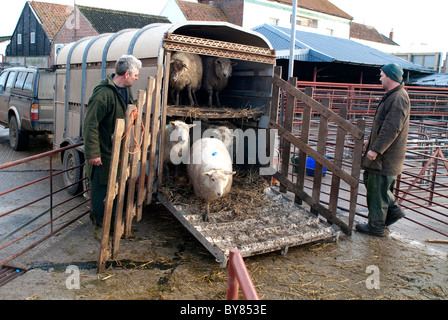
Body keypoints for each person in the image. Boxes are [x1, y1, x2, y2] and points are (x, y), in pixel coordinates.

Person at [82, 55, 142, 239]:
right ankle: (99, 226)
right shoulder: (103, 95)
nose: (137, 78)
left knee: (115, 187)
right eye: (135, 75)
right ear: (126, 74)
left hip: (118, 148)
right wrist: (93, 153)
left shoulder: (124, 90)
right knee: (101, 187)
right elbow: (90, 124)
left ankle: (113, 224)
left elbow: (127, 108)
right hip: (104, 151)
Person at [356, 63, 410, 237]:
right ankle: (387, 216)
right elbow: (382, 126)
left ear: (390, 76)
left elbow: (391, 128)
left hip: (386, 157)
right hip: (384, 155)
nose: (380, 78)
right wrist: (370, 143)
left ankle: (377, 226)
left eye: (382, 75)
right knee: (375, 186)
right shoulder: (393, 96)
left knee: (378, 189)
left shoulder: (398, 98)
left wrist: (376, 150)